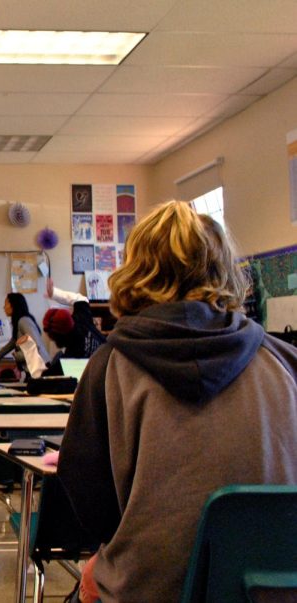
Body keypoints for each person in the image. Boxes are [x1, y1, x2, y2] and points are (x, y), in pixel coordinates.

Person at [57, 201, 297, 603]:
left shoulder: (108, 368)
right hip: (272, 589)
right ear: (223, 268)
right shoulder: (285, 362)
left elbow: (87, 504)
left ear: (134, 270)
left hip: (147, 591)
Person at [0, 292, 50, 377]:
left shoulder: (24, 321)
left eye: (6, 303)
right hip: (36, 369)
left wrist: (17, 355)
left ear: (13, 305)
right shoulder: (19, 322)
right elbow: (10, 345)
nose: (4, 307)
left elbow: (35, 346)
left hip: (41, 369)